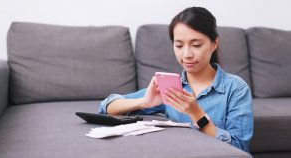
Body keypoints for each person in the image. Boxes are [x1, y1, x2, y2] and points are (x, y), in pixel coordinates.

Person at [98, 7, 253, 153]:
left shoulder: (236, 89)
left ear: (214, 44)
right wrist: (145, 102)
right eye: (179, 45)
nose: (186, 55)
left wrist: (197, 115)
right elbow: (107, 105)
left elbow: (239, 148)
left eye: (196, 45)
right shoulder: (171, 88)